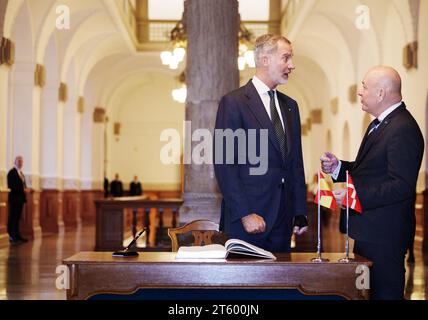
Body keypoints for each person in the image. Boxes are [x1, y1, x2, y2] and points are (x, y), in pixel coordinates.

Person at [320, 66, 424, 300]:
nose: (360, 92)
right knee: (365, 292)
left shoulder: (403, 128)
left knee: (384, 294)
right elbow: (369, 171)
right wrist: (338, 167)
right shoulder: (380, 124)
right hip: (370, 232)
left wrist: (353, 197)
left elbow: (401, 185)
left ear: (381, 93)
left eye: (365, 87)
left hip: (385, 236)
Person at [214, 34, 308, 253]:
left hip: (283, 222)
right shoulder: (233, 103)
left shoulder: (290, 106)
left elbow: (295, 162)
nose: (291, 65)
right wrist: (245, 214)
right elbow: (225, 164)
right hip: (247, 221)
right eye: (286, 58)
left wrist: (299, 211)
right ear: (265, 59)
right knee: (246, 286)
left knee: (279, 287)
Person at [7, 156, 29, 244]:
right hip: (14, 199)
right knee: (13, 217)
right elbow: (11, 185)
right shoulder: (11, 173)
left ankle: (18, 235)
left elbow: (23, 185)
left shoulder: (21, 173)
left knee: (17, 218)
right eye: (19, 161)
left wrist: (26, 189)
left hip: (20, 199)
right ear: (15, 162)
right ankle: (12, 236)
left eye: (21, 162)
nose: (20, 163)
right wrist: (22, 190)